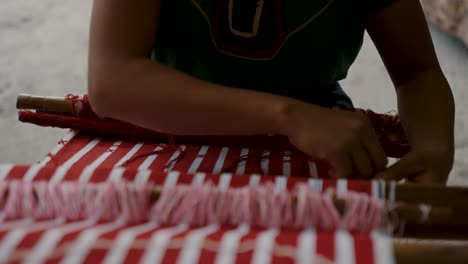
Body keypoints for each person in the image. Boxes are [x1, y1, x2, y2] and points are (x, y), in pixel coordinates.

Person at [86, 0, 455, 184]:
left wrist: (434, 150)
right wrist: (286, 116)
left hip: (316, 113)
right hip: (169, 112)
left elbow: (417, 72)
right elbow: (113, 80)